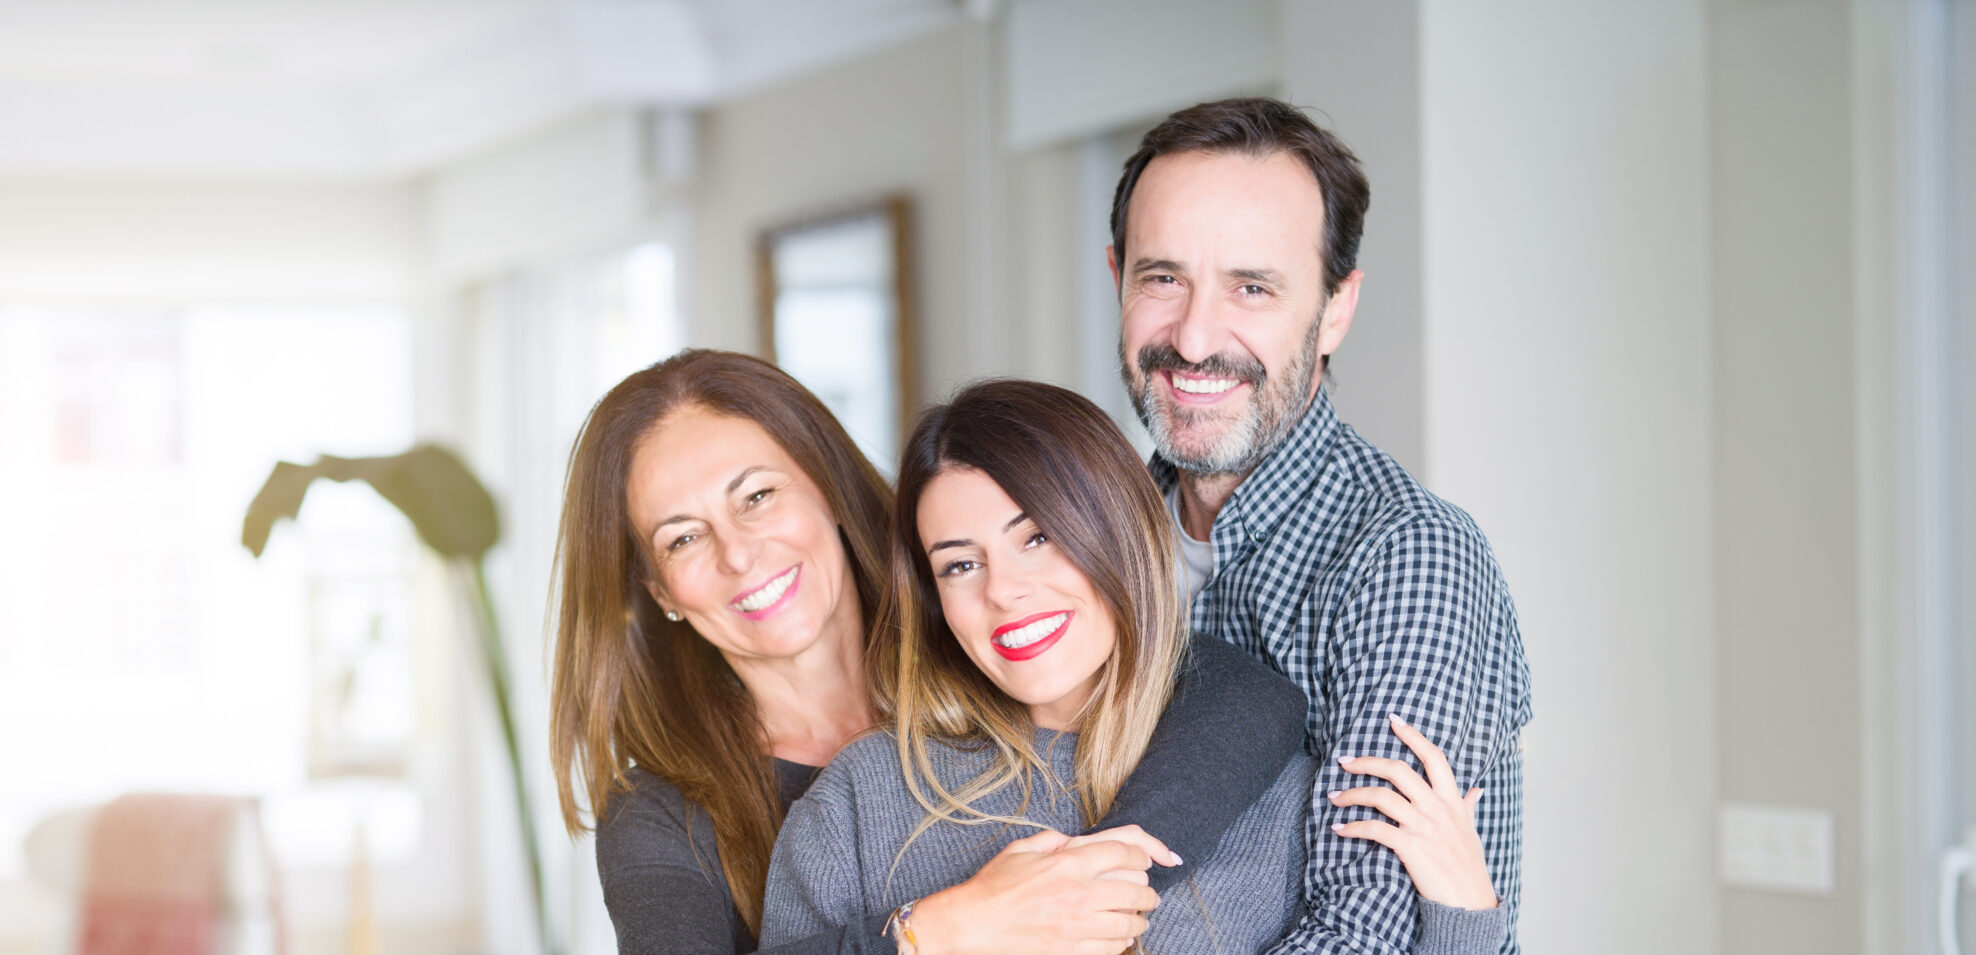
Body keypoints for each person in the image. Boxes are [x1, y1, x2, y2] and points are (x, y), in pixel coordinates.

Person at [546, 350, 1311, 955]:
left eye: (757, 496)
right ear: (660, 589)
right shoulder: (663, 813)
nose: (738, 553)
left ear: (825, 488)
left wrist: (1104, 878)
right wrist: (950, 928)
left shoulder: (986, 647)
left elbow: (1237, 691)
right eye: (683, 537)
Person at [763, 379, 1507, 954]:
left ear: (1118, 532)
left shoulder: (1281, 801)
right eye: (960, 564)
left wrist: (1464, 921)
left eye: (1037, 537)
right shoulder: (860, 801)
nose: (1003, 591)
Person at [1106, 96, 1535, 952]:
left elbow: (1366, 932)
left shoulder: (1406, 557)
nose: (1193, 336)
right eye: (1163, 278)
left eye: (1251, 287)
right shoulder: (1090, 543)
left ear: (1335, 309)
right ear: (1116, 277)